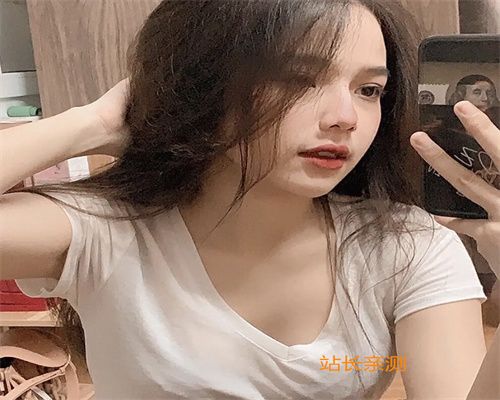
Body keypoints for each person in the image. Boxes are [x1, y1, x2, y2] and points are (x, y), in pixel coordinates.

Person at [1, 1, 498, 399]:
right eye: (298, 79)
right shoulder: (105, 230)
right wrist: (93, 123)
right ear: (207, 84)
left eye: (369, 89)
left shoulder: (405, 246)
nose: (346, 117)